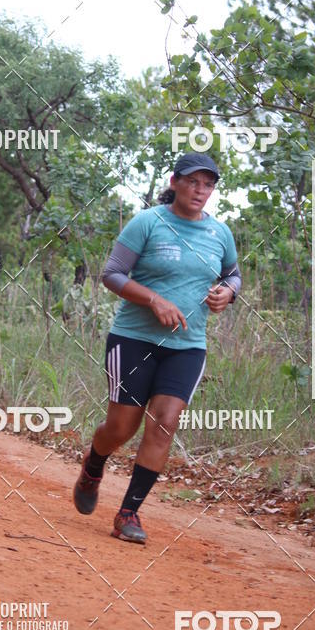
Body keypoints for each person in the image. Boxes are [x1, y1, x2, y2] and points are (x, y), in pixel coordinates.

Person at [73, 152, 242, 544]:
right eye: (193, 181)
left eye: (208, 184)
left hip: (187, 346)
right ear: (174, 182)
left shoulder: (220, 233)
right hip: (134, 340)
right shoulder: (148, 222)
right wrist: (153, 300)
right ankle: (94, 464)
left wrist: (228, 292)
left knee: (165, 423)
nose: (200, 190)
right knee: (121, 427)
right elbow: (112, 274)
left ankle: (128, 513)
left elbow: (233, 274)